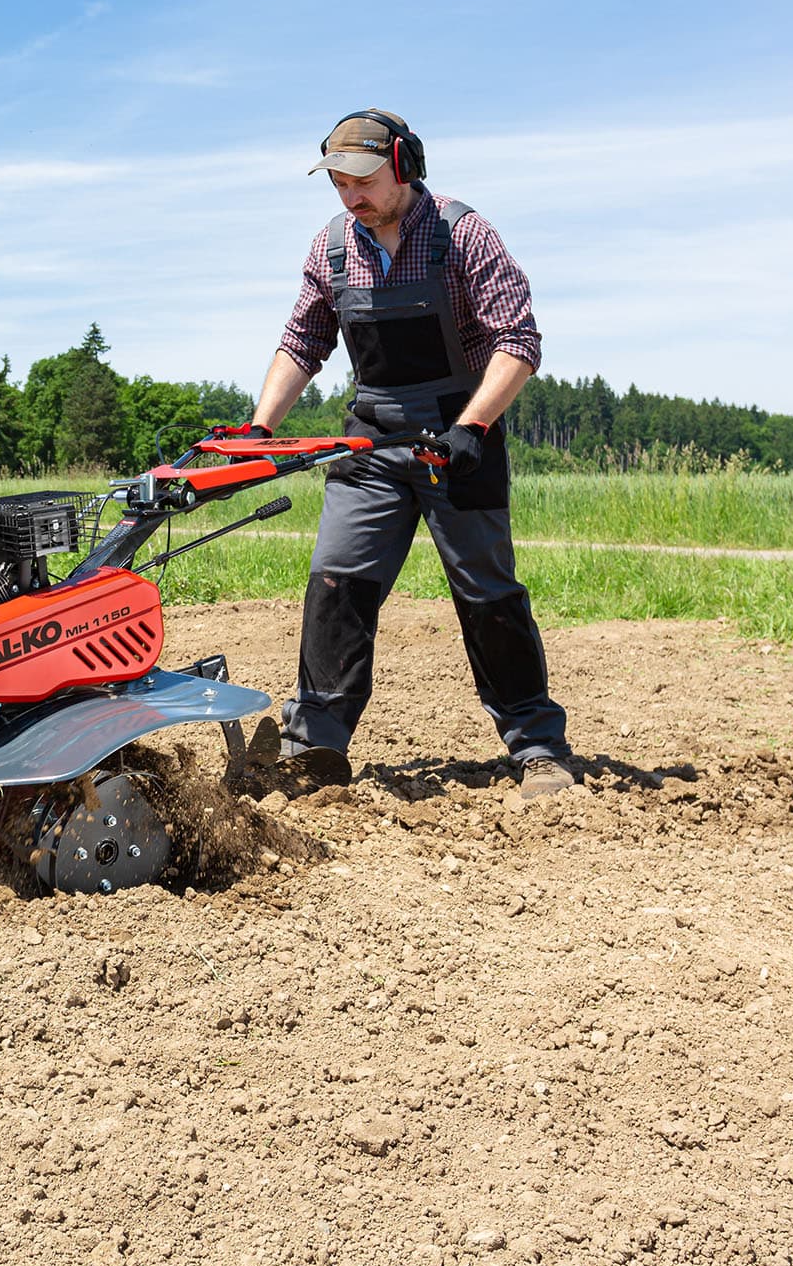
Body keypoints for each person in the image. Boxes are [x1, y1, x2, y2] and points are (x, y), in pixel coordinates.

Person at [246, 108, 575, 796]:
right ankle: (315, 745)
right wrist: (258, 428)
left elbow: (519, 342)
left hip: (459, 435)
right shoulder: (332, 247)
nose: (351, 195)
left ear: (404, 166)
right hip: (371, 436)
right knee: (336, 581)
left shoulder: (464, 235)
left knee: (487, 593)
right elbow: (303, 341)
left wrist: (473, 426)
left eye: (363, 180)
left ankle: (538, 745)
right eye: (338, 182)